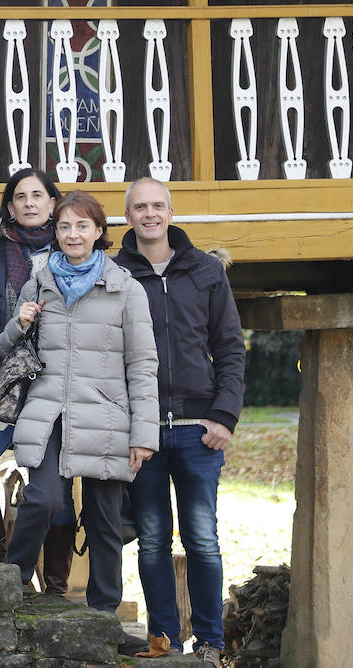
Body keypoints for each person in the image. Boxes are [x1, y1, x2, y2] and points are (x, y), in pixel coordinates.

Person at [0, 190, 158, 617]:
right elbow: (3, 346)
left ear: (99, 232)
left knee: (105, 523)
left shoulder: (126, 288)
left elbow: (143, 365)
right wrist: (20, 322)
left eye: (82, 226)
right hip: (48, 412)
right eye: (65, 226)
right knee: (43, 500)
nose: (73, 234)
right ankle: (9, 589)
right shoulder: (39, 280)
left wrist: (144, 434)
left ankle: (103, 615)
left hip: (105, 415)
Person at [114, 177, 246, 665]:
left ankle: (211, 641)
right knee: (151, 540)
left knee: (202, 539)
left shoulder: (206, 271)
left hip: (198, 431)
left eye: (157, 206)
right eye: (139, 207)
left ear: (170, 212)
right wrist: (127, 424)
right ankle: (163, 638)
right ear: (128, 217)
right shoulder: (116, 273)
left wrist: (223, 418)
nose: (149, 214)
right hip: (144, 434)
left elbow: (230, 348)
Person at [0, 168, 75, 573]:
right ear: (10, 207)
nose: (29, 203)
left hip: (56, 390)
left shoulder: (76, 258)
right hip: (4, 385)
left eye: (38, 195)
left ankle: (57, 584)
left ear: (53, 204)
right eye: (20, 197)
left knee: (56, 492)